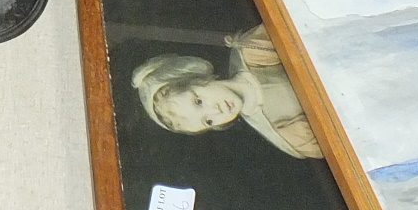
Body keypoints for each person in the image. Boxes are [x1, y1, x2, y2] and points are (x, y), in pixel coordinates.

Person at [131, 24, 323, 159]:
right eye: (208, 121)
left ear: (197, 78)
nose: (217, 112)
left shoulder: (253, 50)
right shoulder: (285, 134)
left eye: (198, 102)